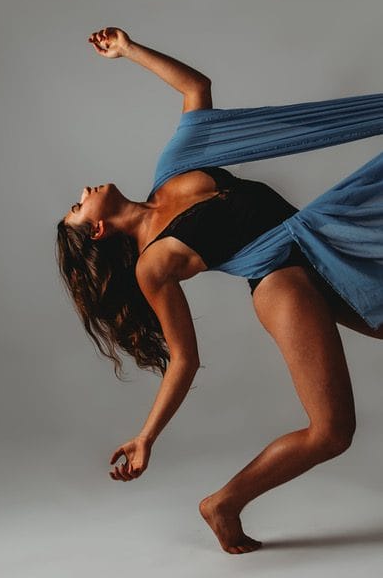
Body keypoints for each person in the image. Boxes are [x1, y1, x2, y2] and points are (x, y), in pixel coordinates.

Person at [55, 27, 382, 555]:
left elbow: (195, 88)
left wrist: (129, 50)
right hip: (283, 281)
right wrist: (147, 437)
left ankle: (225, 503)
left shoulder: (176, 168)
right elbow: (183, 359)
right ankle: (224, 503)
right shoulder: (152, 265)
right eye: (77, 208)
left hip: (323, 247)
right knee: (332, 431)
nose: (82, 194)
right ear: (97, 231)